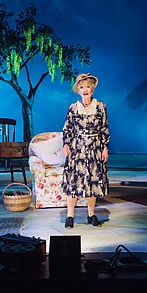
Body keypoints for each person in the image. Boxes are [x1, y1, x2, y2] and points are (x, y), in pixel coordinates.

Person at [61, 72, 110, 228]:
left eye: (88, 87)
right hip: (78, 149)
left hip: (95, 148)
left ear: (92, 89)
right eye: (82, 87)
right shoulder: (73, 108)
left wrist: (105, 148)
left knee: (92, 181)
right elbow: (67, 129)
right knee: (74, 181)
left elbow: (104, 128)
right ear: (78, 90)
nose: (85, 90)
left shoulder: (100, 106)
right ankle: (70, 216)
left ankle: (91, 214)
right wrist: (66, 144)